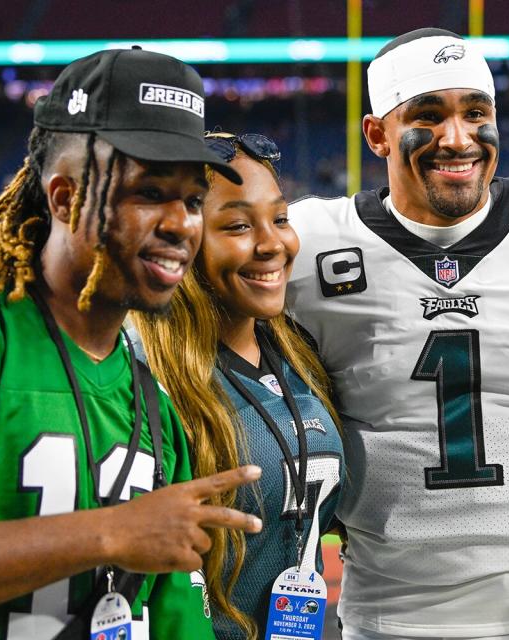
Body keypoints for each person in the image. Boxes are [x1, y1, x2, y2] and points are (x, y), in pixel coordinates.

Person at [285, 28, 509, 639]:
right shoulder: (308, 245)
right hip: (387, 613)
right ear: (377, 134)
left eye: (475, 113)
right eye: (427, 116)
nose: (458, 138)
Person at [0, 48, 265, 640]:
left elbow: (173, 613)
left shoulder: (150, 399)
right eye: (150, 193)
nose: (182, 225)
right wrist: (111, 532)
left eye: (193, 200)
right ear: (65, 199)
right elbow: (127, 533)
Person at [131, 132, 344, 640]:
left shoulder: (298, 353)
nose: (272, 243)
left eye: (281, 218)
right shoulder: (144, 376)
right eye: (239, 225)